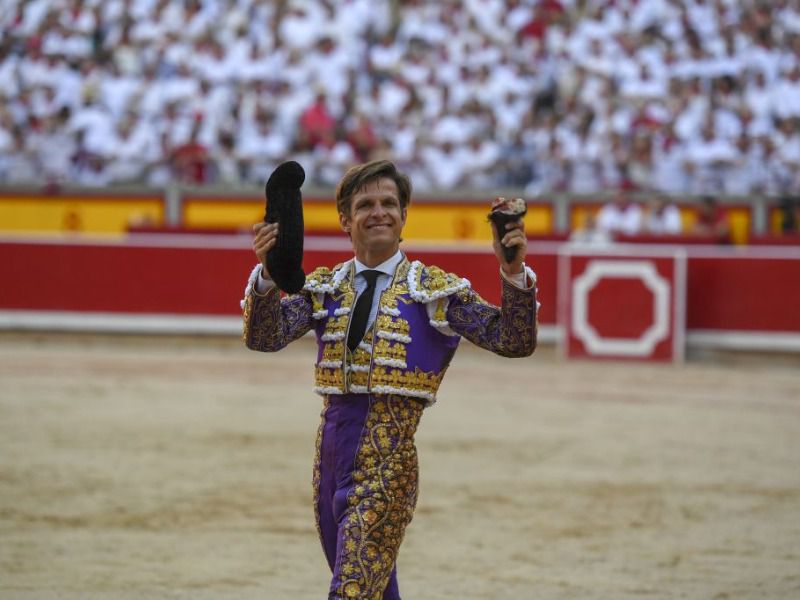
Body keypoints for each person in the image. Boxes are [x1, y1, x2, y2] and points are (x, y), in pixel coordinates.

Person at [241, 159, 538, 599]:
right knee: (376, 591)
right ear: (346, 219)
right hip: (329, 459)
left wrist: (512, 273)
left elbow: (513, 340)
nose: (378, 212)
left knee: (352, 592)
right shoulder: (325, 287)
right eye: (365, 204)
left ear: (403, 215)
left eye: (388, 203)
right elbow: (265, 337)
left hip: (389, 464)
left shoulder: (433, 291)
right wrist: (267, 274)